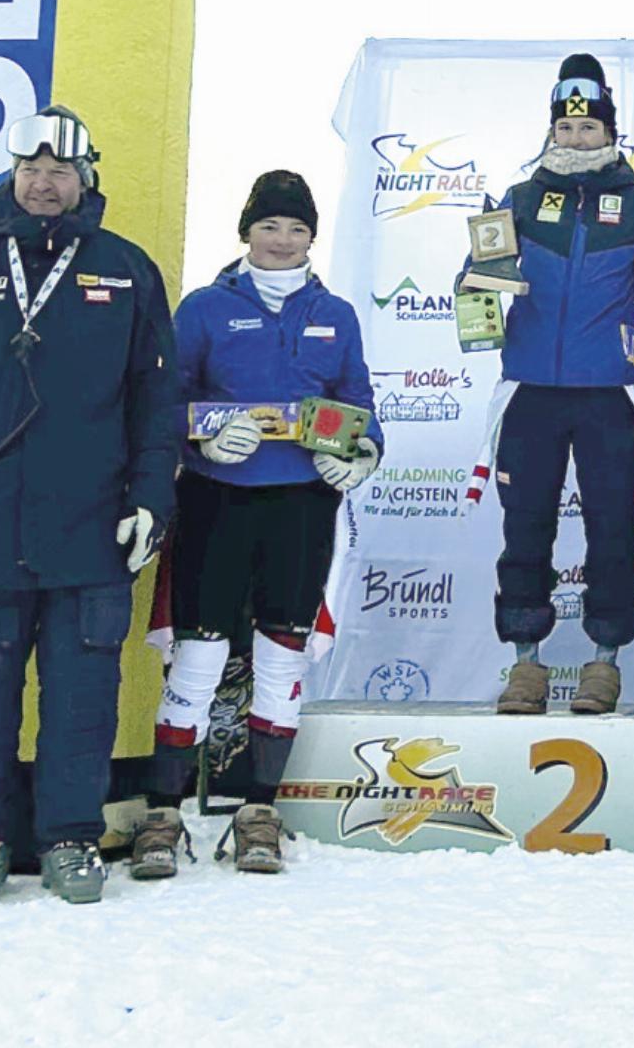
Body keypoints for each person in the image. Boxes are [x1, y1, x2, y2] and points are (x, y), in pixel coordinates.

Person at [0, 107, 176, 906]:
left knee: (82, 701)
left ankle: (70, 840)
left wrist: (150, 500)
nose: (43, 183)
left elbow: (157, 403)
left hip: (93, 531)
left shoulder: (127, 270)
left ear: (85, 178)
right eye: (30, 169)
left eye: (60, 170)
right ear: (13, 174)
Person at [132, 172, 381, 877]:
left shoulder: (335, 313)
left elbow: (358, 398)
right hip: (218, 499)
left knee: (281, 655)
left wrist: (363, 450)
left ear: (311, 238)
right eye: (269, 226)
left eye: (297, 229)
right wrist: (202, 440)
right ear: (246, 232)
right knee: (199, 656)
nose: (282, 240)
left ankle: (257, 811)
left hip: (302, 502)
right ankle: (163, 814)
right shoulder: (206, 307)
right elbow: (165, 400)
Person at [467, 53, 634, 716]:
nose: (576, 138)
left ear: (609, 132)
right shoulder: (519, 201)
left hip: (608, 394)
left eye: (588, 127)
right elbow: (473, 278)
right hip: (530, 391)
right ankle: (526, 665)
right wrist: (479, 292)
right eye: (565, 128)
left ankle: (604, 664)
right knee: (525, 529)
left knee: (611, 529)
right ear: (551, 131)